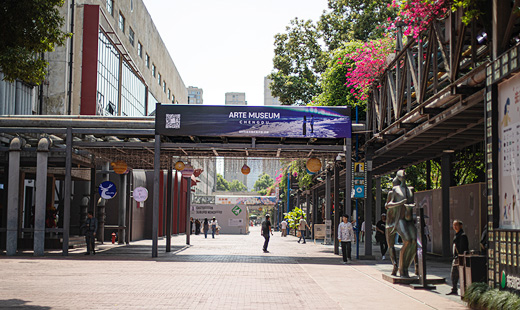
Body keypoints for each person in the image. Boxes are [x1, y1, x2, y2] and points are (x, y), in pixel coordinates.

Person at [447, 219, 469, 295]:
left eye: (456, 225)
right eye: (454, 225)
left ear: (461, 226)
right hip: (456, 257)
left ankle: (464, 290)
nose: (455, 227)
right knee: (454, 275)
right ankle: (454, 289)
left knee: (461, 274)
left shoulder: (462, 236)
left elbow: (463, 248)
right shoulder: (457, 234)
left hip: (460, 258)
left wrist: (460, 256)